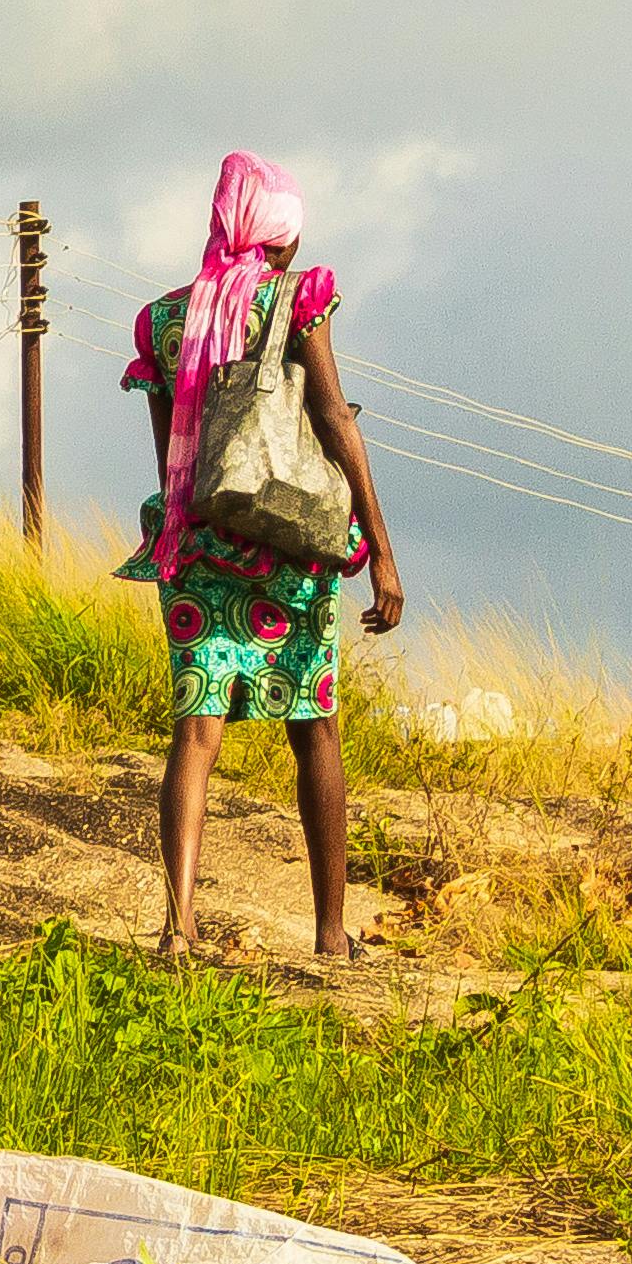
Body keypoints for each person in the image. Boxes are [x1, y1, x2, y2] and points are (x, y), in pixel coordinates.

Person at [119, 151, 404, 958]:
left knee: (195, 734)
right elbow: (334, 422)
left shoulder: (164, 321)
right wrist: (382, 554)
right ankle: (329, 933)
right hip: (292, 546)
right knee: (315, 728)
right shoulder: (295, 300)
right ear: (280, 235)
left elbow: (170, 459)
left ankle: (179, 927)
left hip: (197, 547)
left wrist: (192, 536)